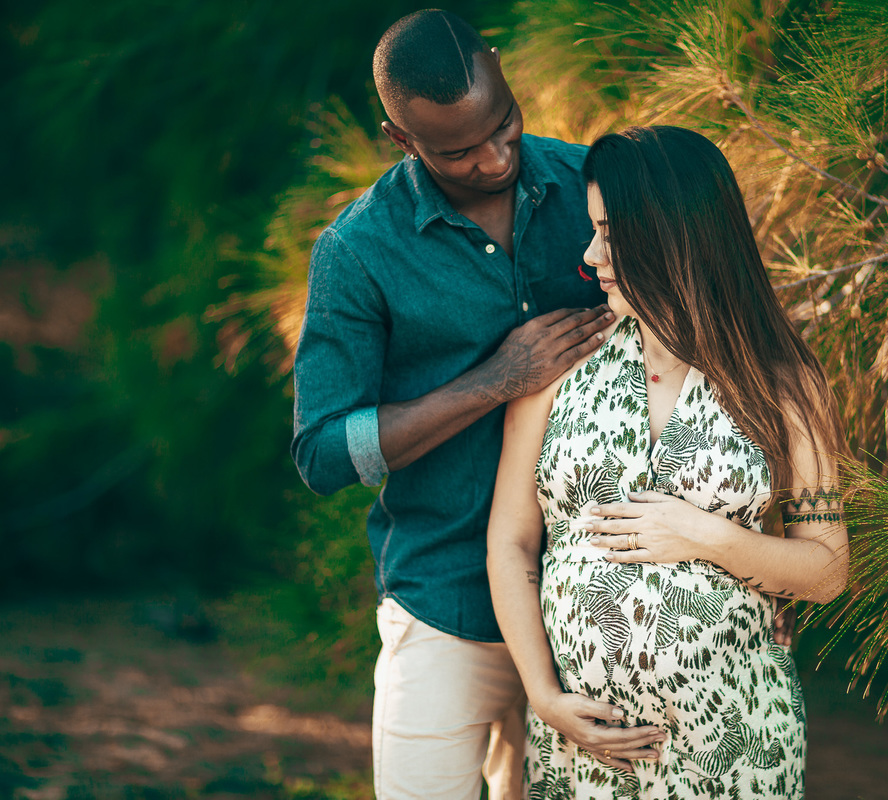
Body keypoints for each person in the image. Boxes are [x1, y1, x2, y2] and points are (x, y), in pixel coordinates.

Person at [289, 9, 623, 800]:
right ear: (399, 138)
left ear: (501, 70)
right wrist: (494, 380)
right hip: (447, 604)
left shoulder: (592, 186)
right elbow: (324, 452)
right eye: (458, 151)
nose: (494, 157)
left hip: (594, 610)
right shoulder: (358, 251)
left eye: (504, 124)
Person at [487, 125, 850, 799]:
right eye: (593, 229)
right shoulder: (559, 361)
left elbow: (827, 569)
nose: (591, 254)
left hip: (735, 747)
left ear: (674, 236)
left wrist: (707, 535)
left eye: (610, 233)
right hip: (584, 749)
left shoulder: (784, 381)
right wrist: (542, 693)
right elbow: (510, 541)